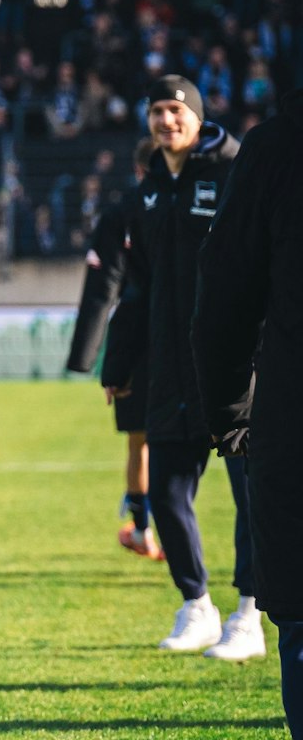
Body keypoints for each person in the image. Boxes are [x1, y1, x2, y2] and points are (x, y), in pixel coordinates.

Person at [102, 77, 261, 656]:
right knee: (166, 492)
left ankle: (248, 615)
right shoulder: (149, 190)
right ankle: (196, 605)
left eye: (176, 110)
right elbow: (137, 288)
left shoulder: (234, 172)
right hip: (169, 366)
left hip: (236, 364)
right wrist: (118, 361)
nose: (167, 121)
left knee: (252, 495)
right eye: (157, 112)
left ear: (197, 116)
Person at [191, 88, 303, 740]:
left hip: (294, 422)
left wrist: (232, 413)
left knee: (301, 629)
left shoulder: (276, 145)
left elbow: (223, 292)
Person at [65, 139, 161, 560]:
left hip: (138, 345)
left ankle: (144, 529)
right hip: (193, 342)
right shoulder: (205, 206)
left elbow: (104, 289)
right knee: (185, 446)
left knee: (139, 442)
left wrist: (94, 361)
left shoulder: (123, 214)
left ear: (138, 171)